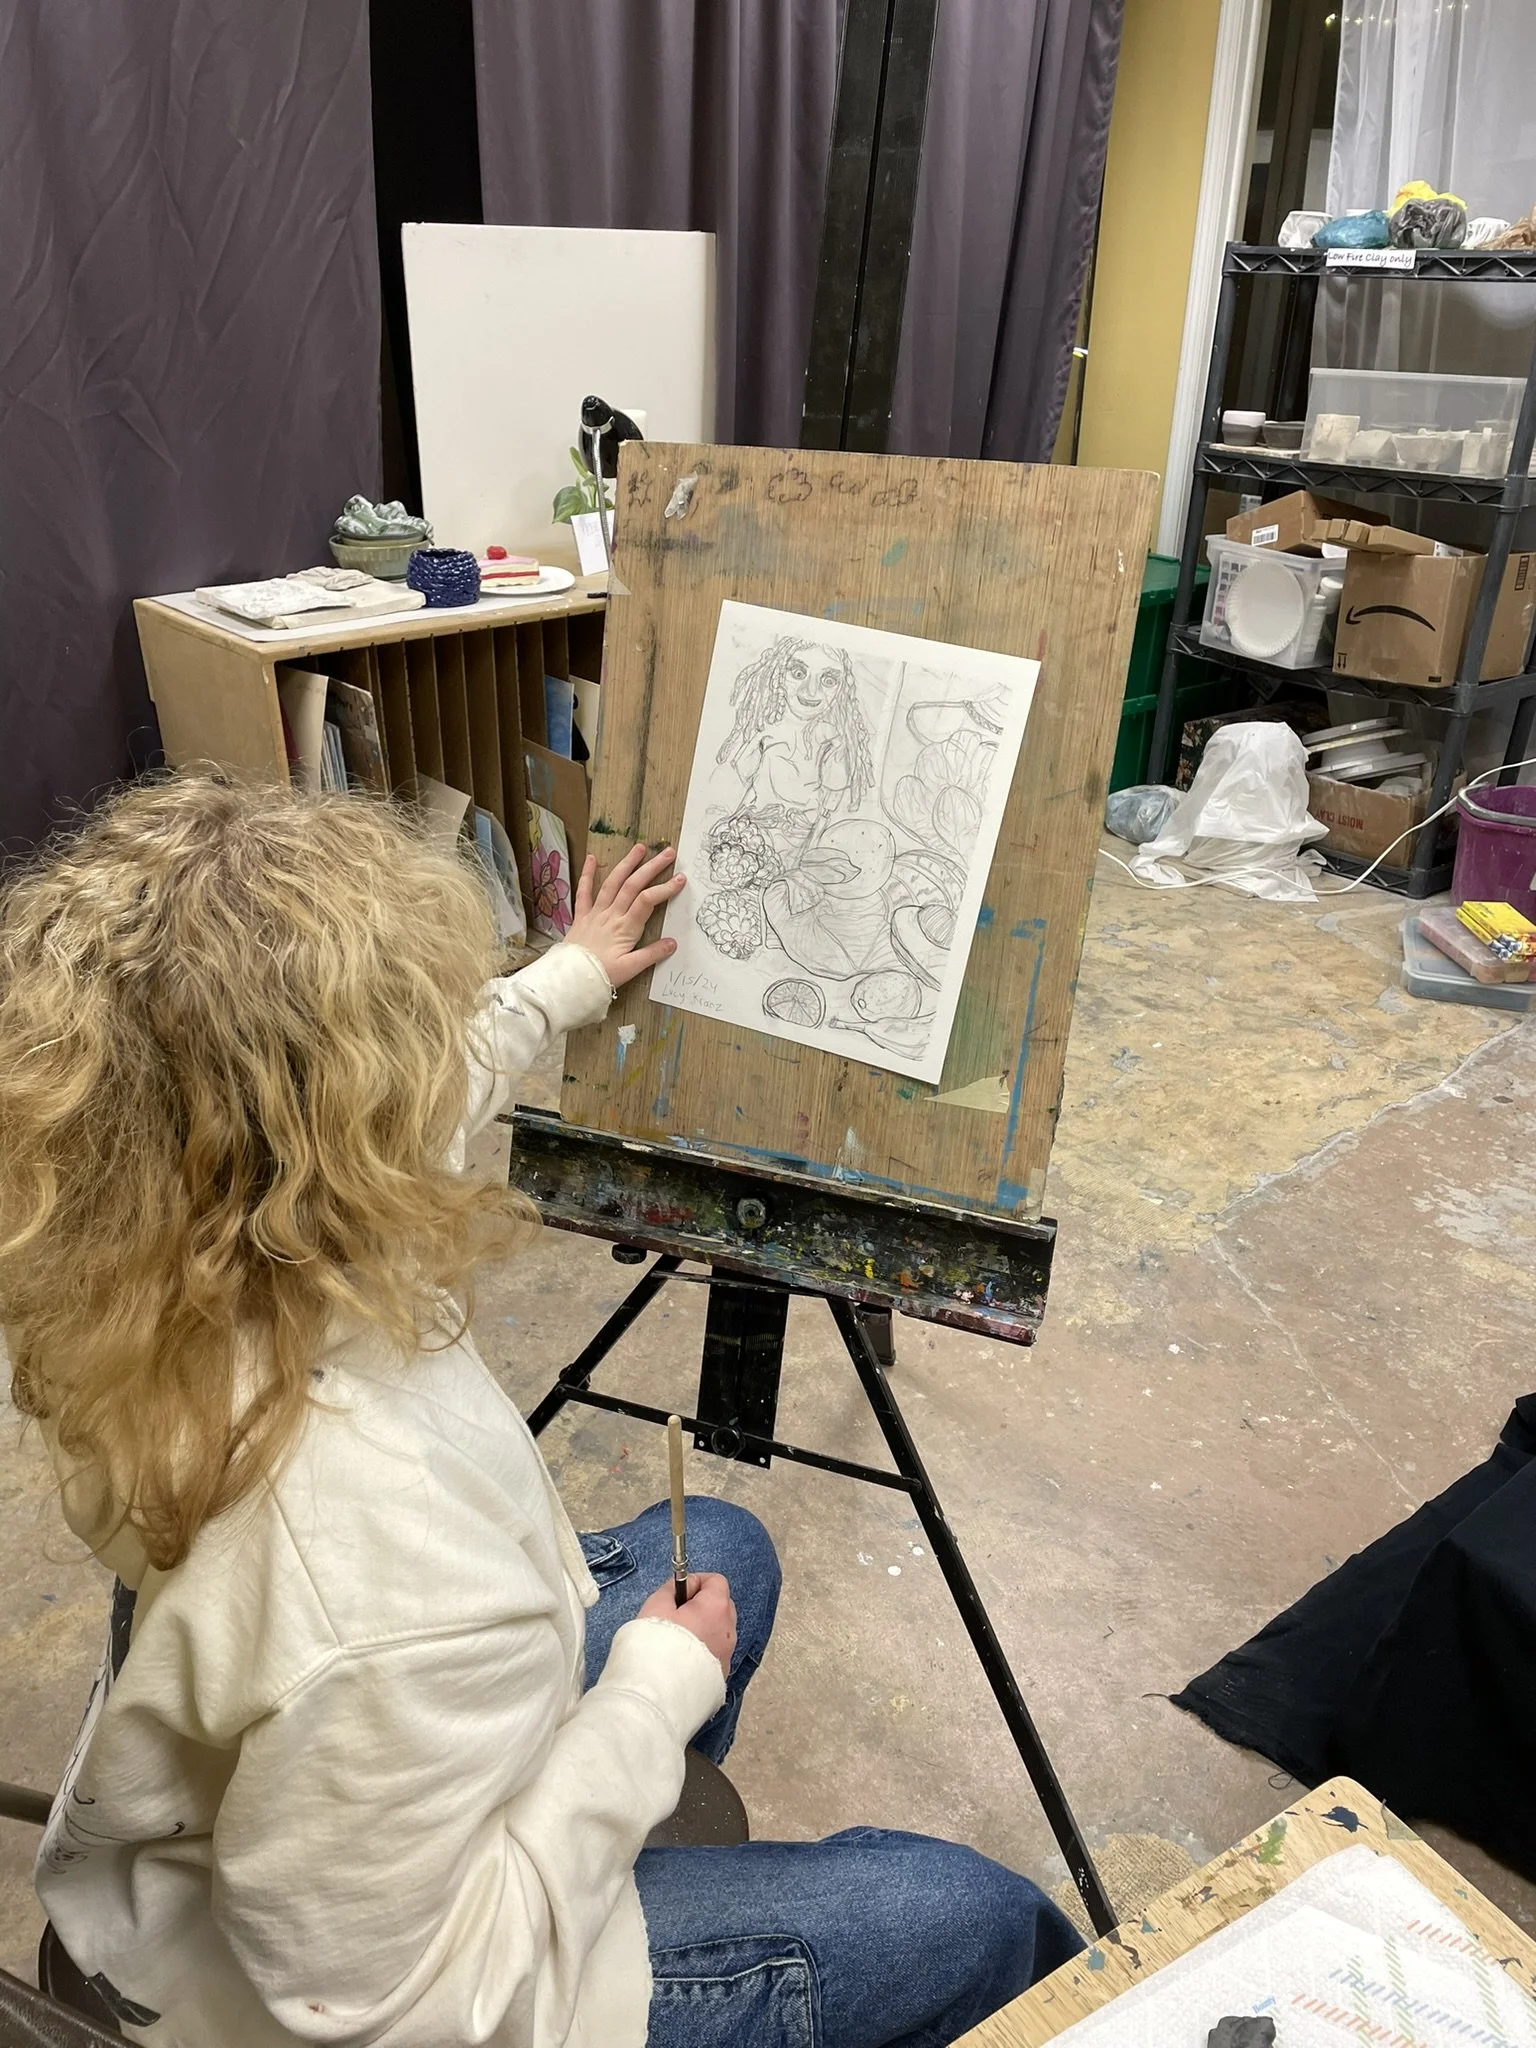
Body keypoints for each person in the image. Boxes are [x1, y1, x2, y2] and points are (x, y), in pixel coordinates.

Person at [0, 776, 1080, 2048]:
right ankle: (633, 1867)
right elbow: (415, 2008)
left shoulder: (157, 1261)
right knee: (969, 1911)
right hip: (375, 1995)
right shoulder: (375, 1560)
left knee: (723, 1541)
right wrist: (645, 1703)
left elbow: (400, 1090)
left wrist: (564, 977)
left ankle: (609, 1816)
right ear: (354, 1129)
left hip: (303, 1788)